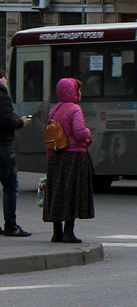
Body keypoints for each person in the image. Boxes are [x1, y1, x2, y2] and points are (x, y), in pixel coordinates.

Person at [42, 78, 94, 243]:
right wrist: (88, 132)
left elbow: (50, 134)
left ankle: (56, 232)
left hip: (56, 155)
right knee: (72, 193)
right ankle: (68, 232)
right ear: (73, 92)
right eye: (78, 90)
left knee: (57, 193)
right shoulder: (75, 109)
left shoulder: (54, 110)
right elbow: (79, 133)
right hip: (73, 156)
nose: (80, 93)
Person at [0, 67, 33, 237]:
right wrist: (20, 122)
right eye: (4, 78)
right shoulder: (2, 95)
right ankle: (10, 225)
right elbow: (6, 121)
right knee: (10, 186)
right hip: (3, 146)